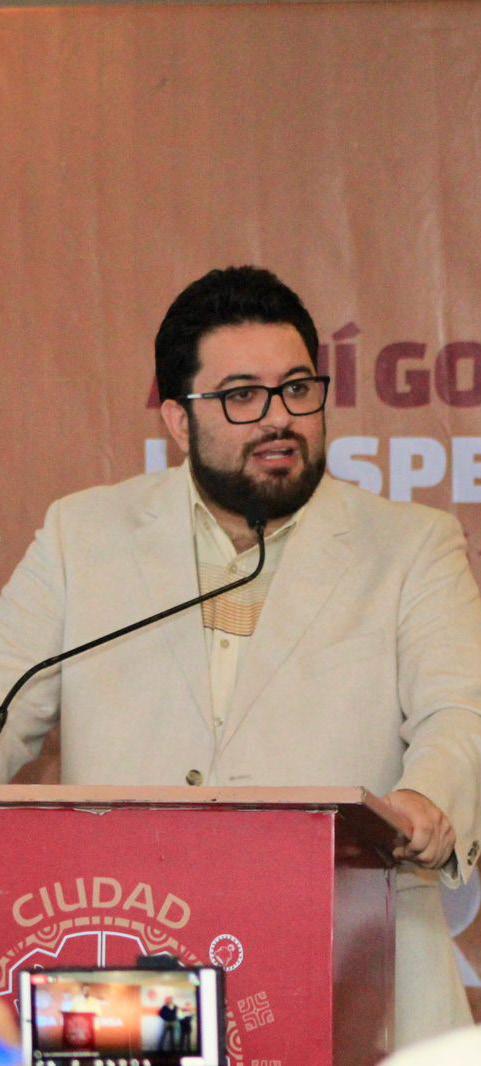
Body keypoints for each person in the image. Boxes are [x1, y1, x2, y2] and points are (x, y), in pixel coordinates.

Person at [0, 266, 481, 1050]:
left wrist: (428, 797)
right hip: (131, 973)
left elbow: (459, 710)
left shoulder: (410, 545)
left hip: (356, 964)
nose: (279, 417)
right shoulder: (80, 536)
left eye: (297, 389)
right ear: (178, 419)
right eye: (241, 396)